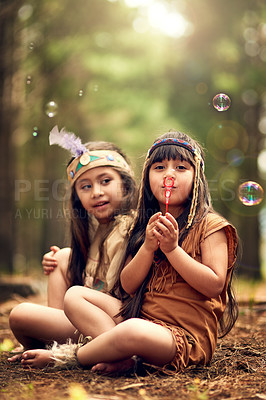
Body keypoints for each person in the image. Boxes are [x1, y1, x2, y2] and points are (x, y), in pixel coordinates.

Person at [13, 130, 239, 373]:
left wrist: (173, 250)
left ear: (198, 178)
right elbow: (128, 285)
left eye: (181, 168)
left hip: (180, 336)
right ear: (147, 177)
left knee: (130, 331)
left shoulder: (211, 226)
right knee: (75, 295)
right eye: (159, 167)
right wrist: (148, 247)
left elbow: (215, 285)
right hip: (141, 318)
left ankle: (66, 356)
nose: (169, 174)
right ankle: (120, 356)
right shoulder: (147, 227)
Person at [8, 126, 137, 364]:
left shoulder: (129, 227)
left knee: (20, 315)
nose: (96, 192)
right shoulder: (100, 229)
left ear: (126, 186)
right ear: (77, 196)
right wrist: (61, 263)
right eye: (85, 186)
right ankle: (64, 342)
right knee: (63, 257)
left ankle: (75, 352)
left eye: (105, 181)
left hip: (116, 321)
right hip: (88, 312)